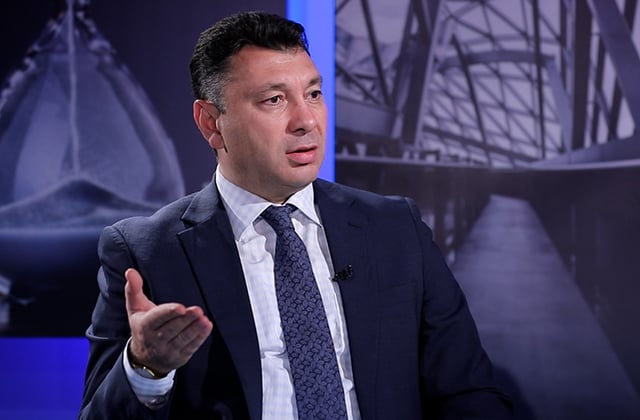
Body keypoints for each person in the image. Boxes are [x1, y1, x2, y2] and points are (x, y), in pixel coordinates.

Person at [79, 11, 513, 420]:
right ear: (211, 123)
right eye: (274, 100)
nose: (306, 121)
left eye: (314, 94)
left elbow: (468, 390)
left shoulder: (396, 228)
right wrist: (146, 368)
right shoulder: (146, 251)